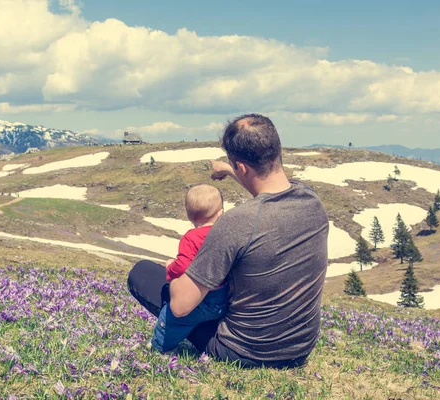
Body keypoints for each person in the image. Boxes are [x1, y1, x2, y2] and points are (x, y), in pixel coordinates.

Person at [128, 114, 329, 368]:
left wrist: (174, 272)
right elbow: (268, 191)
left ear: (242, 167)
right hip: (299, 350)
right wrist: (228, 170)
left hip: (242, 351)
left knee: (143, 273)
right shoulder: (312, 201)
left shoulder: (236, 223)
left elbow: (180, 306)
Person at [151, 184, 227, 352]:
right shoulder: (225, 234)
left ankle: (160, 348)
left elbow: (184, 265)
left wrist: (170, 267)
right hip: (225, 297)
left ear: (189, 215)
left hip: (204, 299)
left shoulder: (191, 238)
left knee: (172, 316)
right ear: (220, 213)